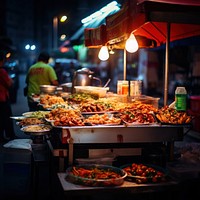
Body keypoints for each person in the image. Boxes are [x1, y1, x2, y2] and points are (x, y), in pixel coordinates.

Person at [0, 52, 16, 142]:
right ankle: (10, 136)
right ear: (2, 61)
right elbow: (9, 83)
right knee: (6, 118)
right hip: (2, 98)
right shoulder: (2, 71)